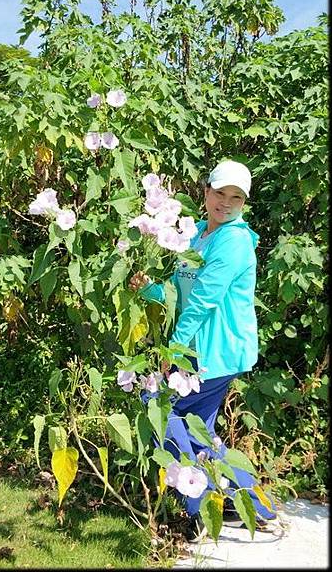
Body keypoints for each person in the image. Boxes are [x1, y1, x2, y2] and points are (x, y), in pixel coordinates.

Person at [129, 160, 277, 539]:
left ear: (244, 203)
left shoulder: (235, 241)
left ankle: (200, 502)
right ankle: (253, 503)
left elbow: (205, 300)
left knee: (163, 414)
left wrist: (173, 351)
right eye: (220, 193)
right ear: (206, 191)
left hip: (218, 351)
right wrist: (148, 288)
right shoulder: (200, 237)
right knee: (201, 430)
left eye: (236, 197)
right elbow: (182, 290)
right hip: (200, 352)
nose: (225, 202)